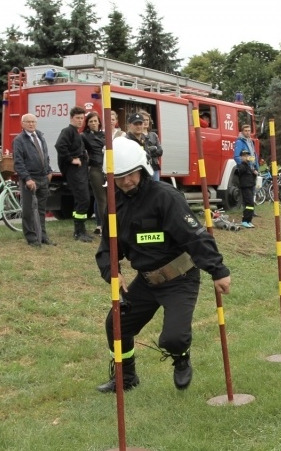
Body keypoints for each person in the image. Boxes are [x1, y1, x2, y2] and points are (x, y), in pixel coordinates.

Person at [95, 137, 231, 392]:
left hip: (180, 279)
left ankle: (181, 358)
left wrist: (218, 270)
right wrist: (112, 273)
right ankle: (126, 378)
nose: (126, 181)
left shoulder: (165, 197)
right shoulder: (115, 205)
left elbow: (195, 236)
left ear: (142, 168)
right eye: (120, 176)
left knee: (173, 338)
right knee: (116, 325)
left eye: (131, 174)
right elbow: (106, 247)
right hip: (146, 282)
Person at [13, 113, 53, 247]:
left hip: (43, 178)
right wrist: (27, 179)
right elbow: (18, 162)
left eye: (33, 122)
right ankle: (31, 237)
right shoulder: (19, 140)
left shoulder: (40, 136)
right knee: (29, 210)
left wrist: (49, 171)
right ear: (22, 124)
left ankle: (42, 236)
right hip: (30, 179)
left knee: (42, 209)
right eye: (28, 122)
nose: (31, 124)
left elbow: (45, 155)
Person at [55, 106, 93, 242]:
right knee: (83, 199)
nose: (80, 121)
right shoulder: (68, 131)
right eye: (78, 118)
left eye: (82, 118)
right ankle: (78, 232)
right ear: (71, 118)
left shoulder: (77, 132)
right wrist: (72, 159)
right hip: (74, 171)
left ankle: (81, 230)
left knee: (82, 200)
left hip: (81, 171)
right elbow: (60, 146)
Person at [81, 111, 107, 236]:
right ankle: (104, 227)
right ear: (87, 124)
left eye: (95, 121)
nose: (93, 123)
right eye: (90, 121)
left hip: (108, 168)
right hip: (95, 168)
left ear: (99, 122)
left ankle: (111, 225)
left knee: (110, 199)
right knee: (101, 199)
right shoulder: (84, 136)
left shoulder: (104, 135)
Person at [235, 149, 257, 227]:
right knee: (249, 204)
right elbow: (240, 172)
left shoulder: (249, 166)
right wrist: (246, 162)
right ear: (241, 157)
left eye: (247, 155)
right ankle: (245, 221)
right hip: (245, 187)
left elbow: (250, 177)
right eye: (244, 156)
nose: (246, 157)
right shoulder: (241, 166)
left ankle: (248, 220)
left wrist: (254, 173)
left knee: (251, 204)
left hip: (250, 187)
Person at [141, 110, 163, 182]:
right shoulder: (137, 135)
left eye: (147, 120)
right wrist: (152, 150)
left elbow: (160, 151)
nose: (146, 122)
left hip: (154, 166)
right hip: (142, 168)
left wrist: (148, 151)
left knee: (156, 189)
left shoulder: (153, 135)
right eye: (143, 120)